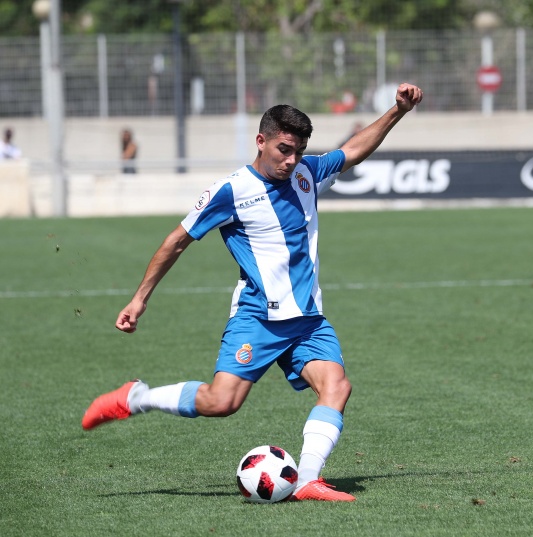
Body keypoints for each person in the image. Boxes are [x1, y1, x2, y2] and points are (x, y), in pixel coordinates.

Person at [82, 82, 424, 500]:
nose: (292, 159)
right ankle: (138, 397)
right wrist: (140, 299)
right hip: (259, 317)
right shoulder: (231, 191)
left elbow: (352, 150)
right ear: (261, 141)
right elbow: (176, 241)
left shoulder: (306, 174)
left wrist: (397, 110)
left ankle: (307, 479)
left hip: (308, 321)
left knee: (337, 386)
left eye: (298, 150)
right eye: (284, 149)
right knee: (221, 402)